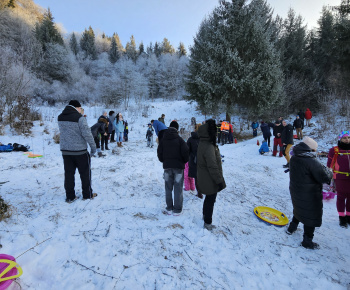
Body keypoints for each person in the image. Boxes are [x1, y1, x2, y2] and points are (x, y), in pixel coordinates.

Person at [287, 137, 333, 249]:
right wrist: (329, 171)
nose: (315, 151)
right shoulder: (311, 161)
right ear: (310, 149)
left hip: (296, 189)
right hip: (310, 193)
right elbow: (325, 177)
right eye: (314, 149)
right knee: (310, 214)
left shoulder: (294, 156)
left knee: (299, 207)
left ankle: (291, 228)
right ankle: (307, 241)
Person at [57, 100, 97, 203]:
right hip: (80, 151)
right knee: (85, 173)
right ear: (77, 108)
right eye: (81, 108)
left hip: (66, 151)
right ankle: (87, 194)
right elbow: (87, 134)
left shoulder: (60, 117)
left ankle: (70, 196)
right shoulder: (80, 118)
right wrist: (93, 148)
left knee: (69, 174)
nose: (81, 110)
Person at [197, 119, 226, 230]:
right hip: (209, 178)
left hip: (205, 177)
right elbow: (212, 166)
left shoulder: (204, 142)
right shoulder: (208, 146)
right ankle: (207, 222)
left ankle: (205, 217)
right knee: (210, 200)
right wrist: (219, 181)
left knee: (208, 199)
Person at [157, 121, 189, 216]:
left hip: (167, 167)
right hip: (178, 168)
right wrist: (183, 161)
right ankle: (177, 210)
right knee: (178, 188)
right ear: (177, 129)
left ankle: (169, 208)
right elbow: (186, 151)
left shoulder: (163, 139)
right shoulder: (179, 140)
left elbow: (159, 152)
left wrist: (164, 160)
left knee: (168, 188)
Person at [327, 130, 350, 228]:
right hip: (340, 177)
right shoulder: (334, 150)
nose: (347, 140)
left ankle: (349, 216)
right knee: (341, 197)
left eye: (348, 138)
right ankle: (342, 217)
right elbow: (329, 165)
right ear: (340, 139)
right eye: (344, 138)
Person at [187, 124, 202, 199]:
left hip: (194, 160)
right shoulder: (205, 138)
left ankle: (199, 193)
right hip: (204, 160)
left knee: (196, 177)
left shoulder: (190, 139)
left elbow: (187, 151)